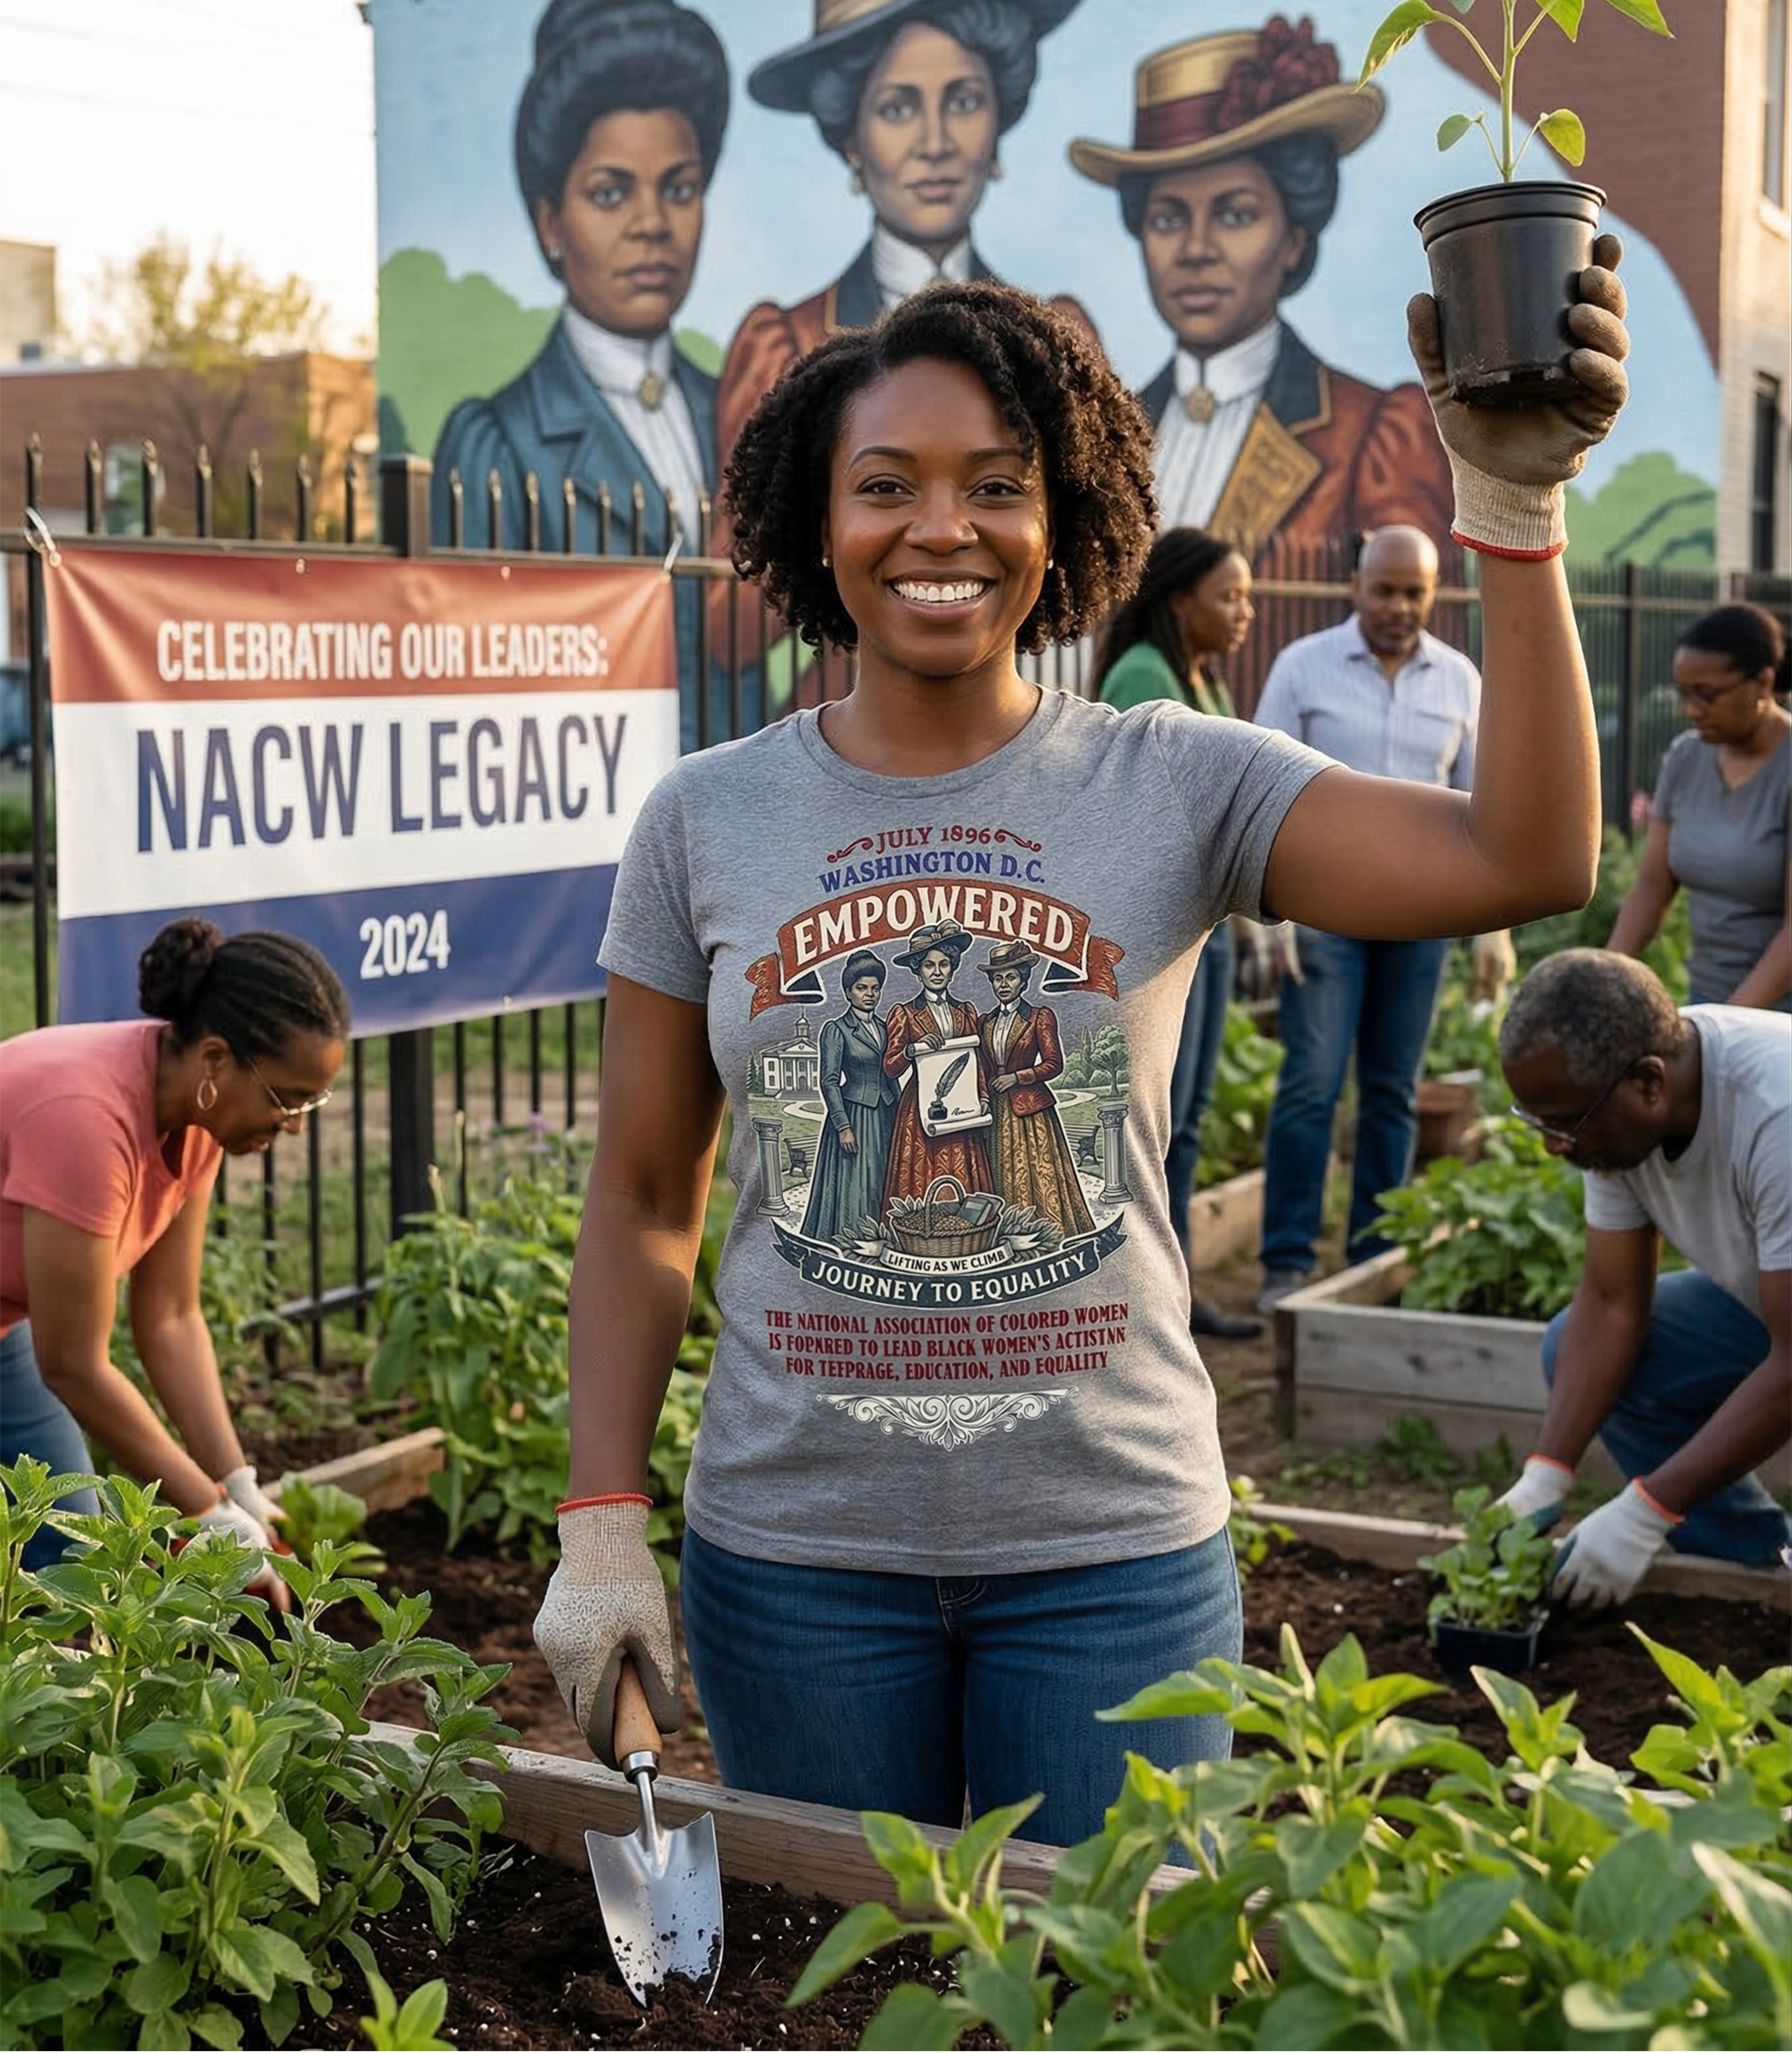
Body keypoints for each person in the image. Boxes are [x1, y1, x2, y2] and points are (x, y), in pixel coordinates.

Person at [532, 253, 1628, 1846]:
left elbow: (1525, 856)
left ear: (1065, 517)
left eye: (996, 484)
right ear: (813, 515)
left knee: (1121, 1996)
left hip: (1114, 1554)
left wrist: (1512, 514)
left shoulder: (1173, 780)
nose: (941, 528)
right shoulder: (705, 820)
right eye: (885, 485)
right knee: (860, 2000)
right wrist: (600, 1518)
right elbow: (642, 1190)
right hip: (798, 1559)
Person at [430, 0, 728, 746]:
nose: (651, 223)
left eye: (680, 187)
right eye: (609, 192)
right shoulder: (496, 442)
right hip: (589, 844)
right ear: (549, 222)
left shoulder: (738, 410)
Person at [0, 919, 349, 1586]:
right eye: (288, 1099)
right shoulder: (85, 1121)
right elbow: (73, 1364)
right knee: (65, 1552)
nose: (297, 1125)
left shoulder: (197, 1117)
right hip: (27, 1343)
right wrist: (208, 1511)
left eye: (314, 1102)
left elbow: (170, 1316)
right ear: (215, 1060)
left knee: (77, 1555)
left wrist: (235, 1483)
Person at [715, 0, 1093, 468]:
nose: (935, 142)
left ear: (1000, 118)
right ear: (852, 140)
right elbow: (743, 555)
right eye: (898, 108)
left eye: (964, 101)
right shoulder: (783, 349)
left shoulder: (1056, 341)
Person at [1068, 16, 1454, 567]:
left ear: (1294, 237)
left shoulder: (1371, 432)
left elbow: (1418, 642)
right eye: (1169, 219)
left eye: (1235, 215)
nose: (1196, 250)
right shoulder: (1120, 430)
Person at [1495, 948, 1790, 1603]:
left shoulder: (1778, 1110)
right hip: (1776, 1310)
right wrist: (1547, 1473)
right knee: (1582, 1344)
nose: (1553, 1144)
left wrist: (1648, 1507)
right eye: (1538, 1121)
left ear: (1649, 1083)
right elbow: (1611, 1303)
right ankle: (1757, 1570)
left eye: (1564, 1121)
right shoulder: (1621, 1112)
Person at [1249, 528, 1495, 1305]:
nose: (1397, 606)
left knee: (1393, 1091)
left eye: (1412, 592)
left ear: (1434, 592)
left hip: (1421, 924)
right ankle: (1286, 1261)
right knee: (1311, 1087)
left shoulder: (1460, 681)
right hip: (1320, 917)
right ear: (1354, 584)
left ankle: (1370, 1262)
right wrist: (1268, 913)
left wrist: (1492, 925)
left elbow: (1489, 814)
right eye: (1383, 589)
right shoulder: (1303, 668)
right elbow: (1256, 793)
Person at [1093, 527, 1261, 1340]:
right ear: (1178, 597)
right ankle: (1148, 1299)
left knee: (1185, 1120)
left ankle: (1177, 1293)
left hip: (1210, 934)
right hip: (1164, 941)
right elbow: (1138, 822)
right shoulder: (1142, 676)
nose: (1245, 612)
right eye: (1229, 595)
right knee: (1153, 1125)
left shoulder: (1200, 678)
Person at [1607, 601, 1790, 1012]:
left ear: (1763, 682)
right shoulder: (1686, 758)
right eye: (1684, 694)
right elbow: (1652, 887)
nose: (1691, 711)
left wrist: (1726, 1025)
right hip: (1709, 996)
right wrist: (1606, 975)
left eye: (1707, 695)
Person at [976, 937, 1094, 1238]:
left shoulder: (1040, 1016)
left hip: (1030, 1110)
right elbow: (980, 1066)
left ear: (1023, 981)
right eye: (998, 978)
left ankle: (1046, 1235)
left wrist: (1017, 1078)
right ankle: (1006, 1237)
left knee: (1036, 1174)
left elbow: (1054, 1064)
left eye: (1011, 977)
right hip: (996, 1109)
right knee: (1001, 1172)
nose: (1004, 984)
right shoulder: (985, 1021)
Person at [879, 922, 995, 1209]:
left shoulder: (965, 1010)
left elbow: (975, 1060)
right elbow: (890, 1067)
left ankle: (966, 1233)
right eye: (929, 965)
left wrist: (982, 1097)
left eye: (944, 964)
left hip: (963, 1103)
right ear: (918, 970)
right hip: (920, 1106)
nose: (937, 971)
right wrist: (911, 1050)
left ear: (953, 967)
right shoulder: (904, 1013)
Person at [799, 951, 899, 1244]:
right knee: (857, 1183)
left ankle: (883, 1241)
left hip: (886, 1114)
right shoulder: (836, 1029)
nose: (869, 994)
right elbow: (829, 1081)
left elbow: (891, 1075)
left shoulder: (885, 1027)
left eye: (875, 988)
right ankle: (853, 1242)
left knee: (883, 1178)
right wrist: (843, 1126)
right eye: (862, 988)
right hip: (855, 1114)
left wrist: (903, 1114)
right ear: (847, 992)